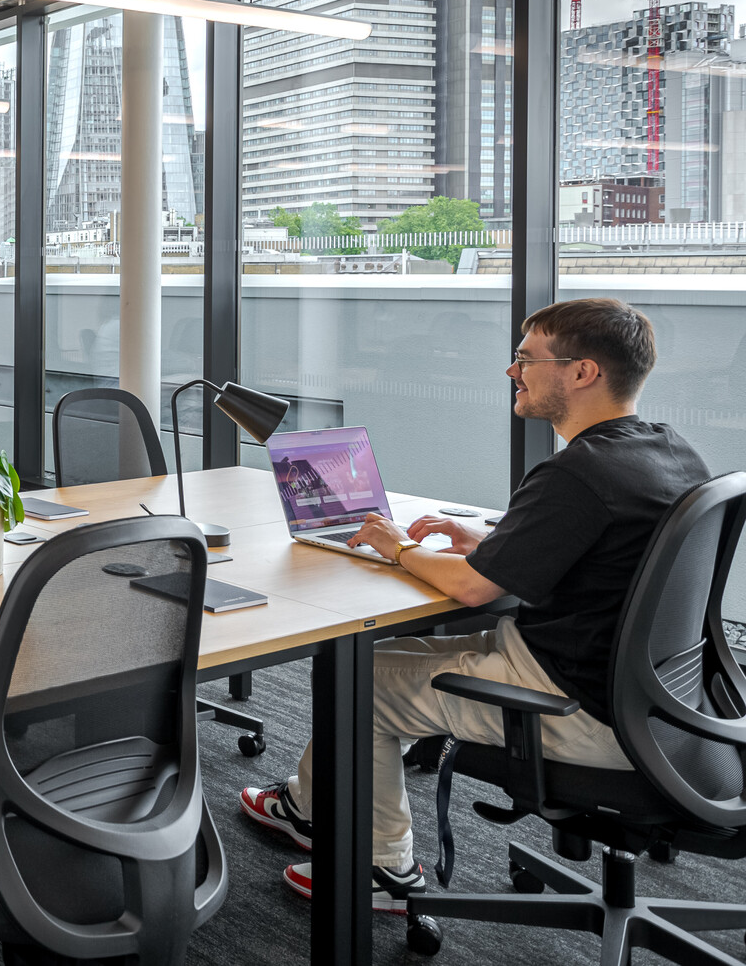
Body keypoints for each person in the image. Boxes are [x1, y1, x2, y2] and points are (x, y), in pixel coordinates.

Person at [238, 297, 708, 911]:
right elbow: (601, 556)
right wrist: (488, 544)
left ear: (582, 372)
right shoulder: (668, 451)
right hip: (659, 701)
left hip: (583, 708)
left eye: (527, 358)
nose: (513, 371)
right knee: (379, 657)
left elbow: (473, 590)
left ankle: (381, 868)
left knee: (358, 681)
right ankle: (309, 806)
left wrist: (398, 546)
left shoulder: (578, 472)